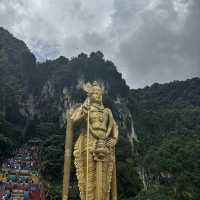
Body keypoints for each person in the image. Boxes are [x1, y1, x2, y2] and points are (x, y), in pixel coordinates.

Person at [70, 81, 118, 200]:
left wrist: (114, 139)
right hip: (89, 142)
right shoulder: (87, 108)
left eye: (99, 93)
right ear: (90, 95)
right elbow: (73, 119)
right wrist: (84, 107)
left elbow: (114, 127)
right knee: (89, 176)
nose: (98, 95)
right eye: (95, 93)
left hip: (105, 143)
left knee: (104, 178)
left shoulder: (107, 111)